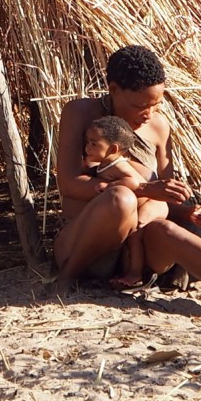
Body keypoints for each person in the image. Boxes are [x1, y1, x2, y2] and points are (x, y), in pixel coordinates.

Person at [53, 45, 201, 313]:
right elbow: (69, 185)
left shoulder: (159, 126)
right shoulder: (82, 114)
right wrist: (142, 189)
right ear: (113, 89)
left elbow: (165, 198)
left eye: (156, 104)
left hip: (136, 251)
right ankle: (66, 278)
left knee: (170, 231)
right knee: (121, 199)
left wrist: (189, 213)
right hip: (85, 242)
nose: (148, 113)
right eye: (140, 105)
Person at [83, 115, 163, 288]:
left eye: (94, 144)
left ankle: (136, 273)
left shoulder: (117, 166)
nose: (87, 147)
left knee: (135, 235)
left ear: (113, 149)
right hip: (140, 205)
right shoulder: (106, 163)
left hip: (149, 204)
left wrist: (110, 185)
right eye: (88, 142)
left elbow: (133, 182)